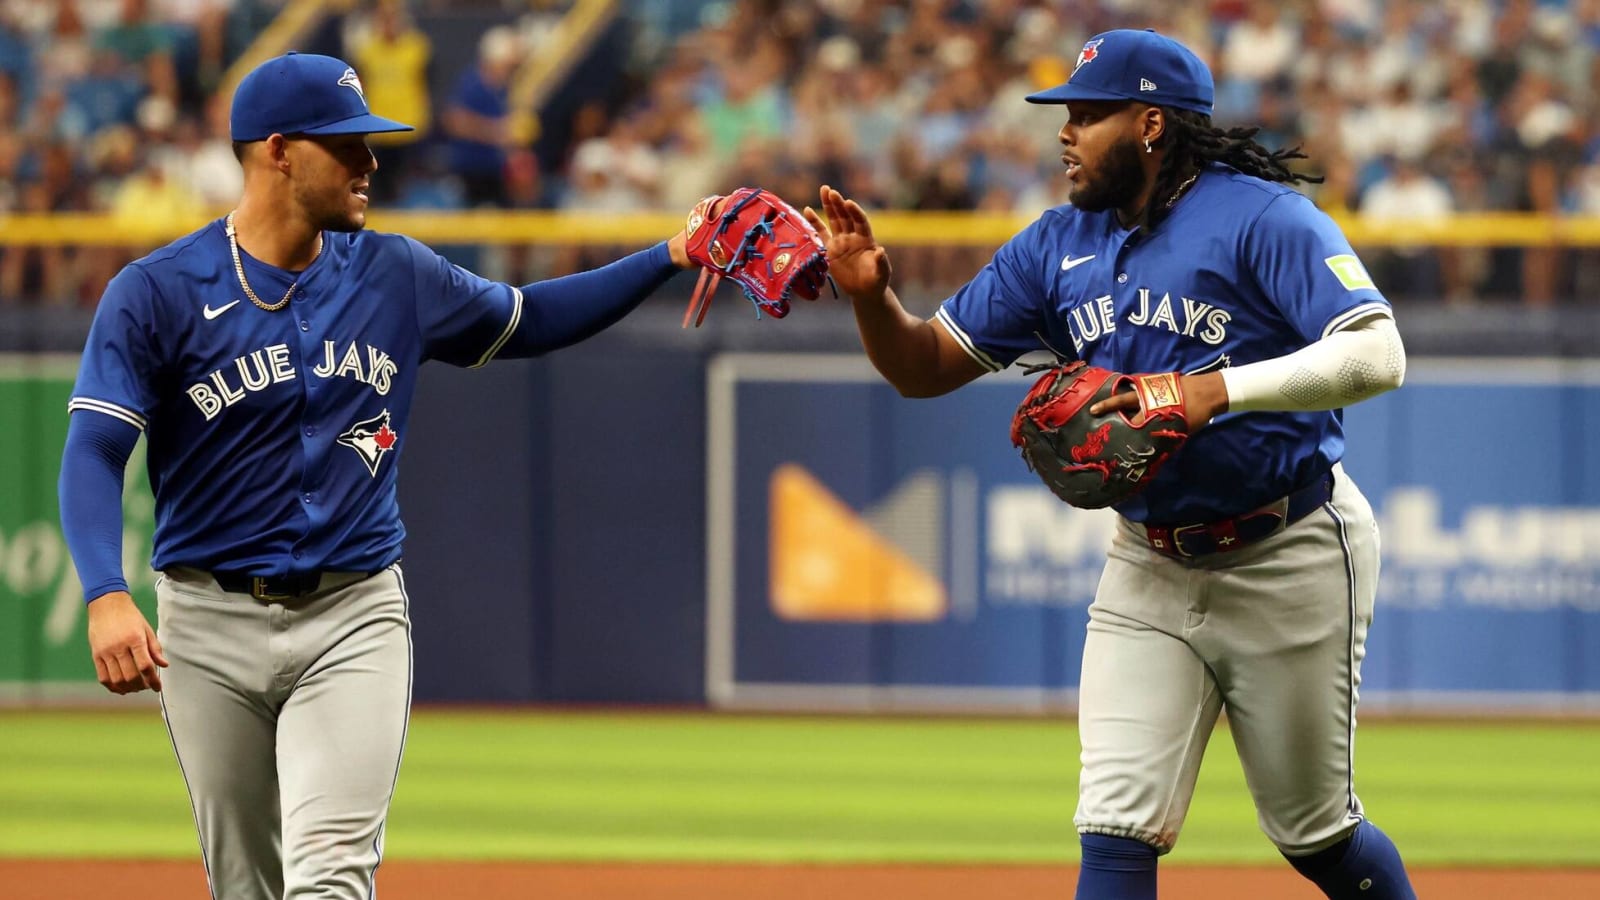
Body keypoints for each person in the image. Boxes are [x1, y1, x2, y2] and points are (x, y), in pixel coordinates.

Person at [58, 51, 702, 899]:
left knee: (330, 880)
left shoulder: (397, 274)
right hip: (204, 626)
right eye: (348, 145)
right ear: (279, 151)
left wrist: (672, 251)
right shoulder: (157, 292)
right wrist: (105, 592)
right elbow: (96, 450)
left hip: (352, 613)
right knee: (247, 886)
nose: (371, 163)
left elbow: (532, 317)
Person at [804, 29, 1417, 900]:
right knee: (1114, 829)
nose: (1065, 133)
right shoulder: (1056, 245)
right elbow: (922, 368)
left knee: (1316, 836)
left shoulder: (1262, 218)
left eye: (1088, 115)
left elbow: (1378, 354)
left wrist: (1211, 392)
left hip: (1290, 549)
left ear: (1153, 125)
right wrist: (873, 300)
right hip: (1149, 562)